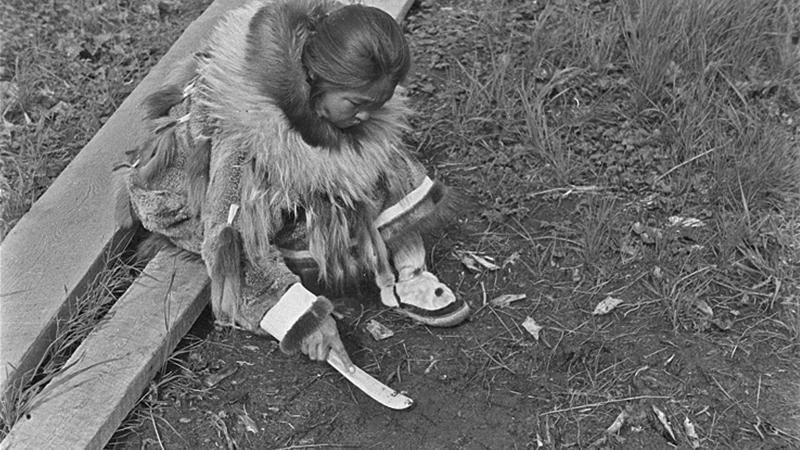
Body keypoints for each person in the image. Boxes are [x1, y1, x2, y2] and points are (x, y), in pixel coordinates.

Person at [115, 0, 470, 367]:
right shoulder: (249, 131)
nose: (367, 114)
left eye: (378, 104)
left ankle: (402, 268)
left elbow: (372, 140)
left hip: (272, 173)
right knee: (270, 227)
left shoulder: (344, 104)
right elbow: (229, 237)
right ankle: (323, 268)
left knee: (384, 161)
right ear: (318, 78)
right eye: (357, 103)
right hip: (196, 199)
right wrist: (300, 319)